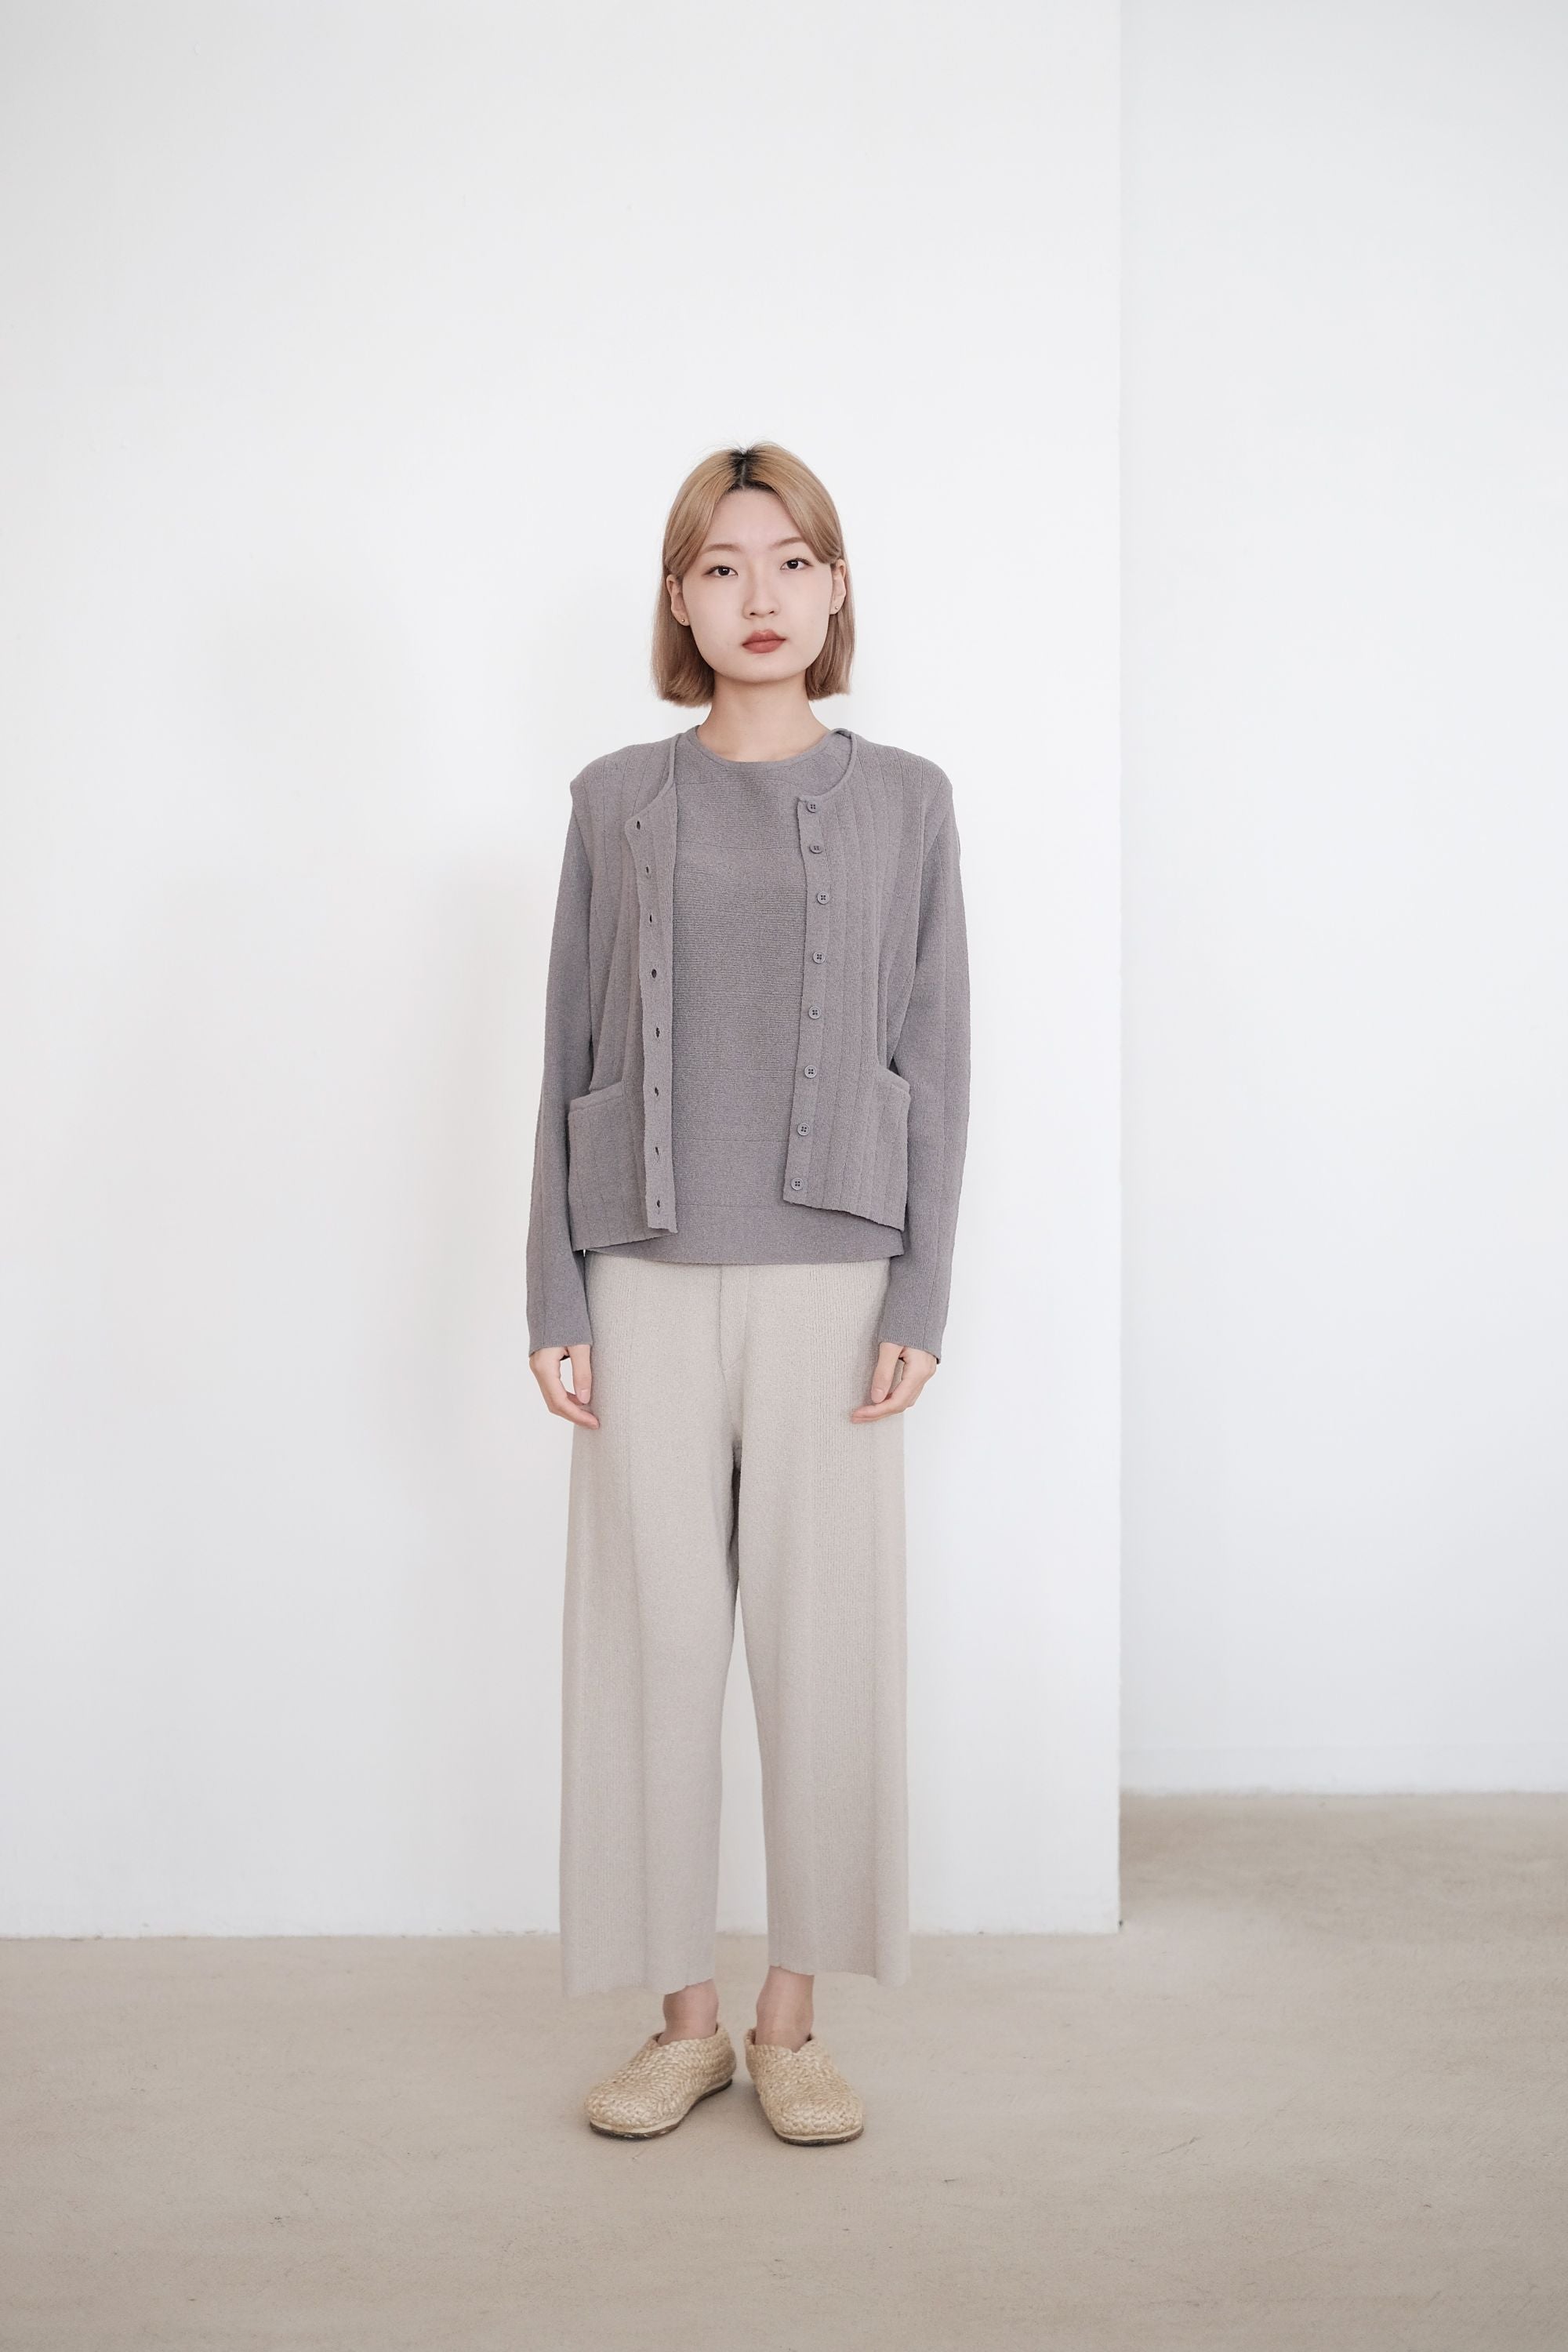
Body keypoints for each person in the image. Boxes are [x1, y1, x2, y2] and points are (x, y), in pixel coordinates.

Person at [524, 442, 971, 2146]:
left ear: (836, 588)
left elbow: (937, 1054)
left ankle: (792, 2021)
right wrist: (552, 1287)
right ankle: (682, 2023)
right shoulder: (614, 801)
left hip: (835, 1279)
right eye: (721, 566)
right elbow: (565, 1051)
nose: (759, 595)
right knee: (646, 1654)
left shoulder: (908, 799)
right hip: (639, 1270)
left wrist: (921, 1286)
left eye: (790, 562)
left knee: (825, 1654)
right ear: (679, 600)